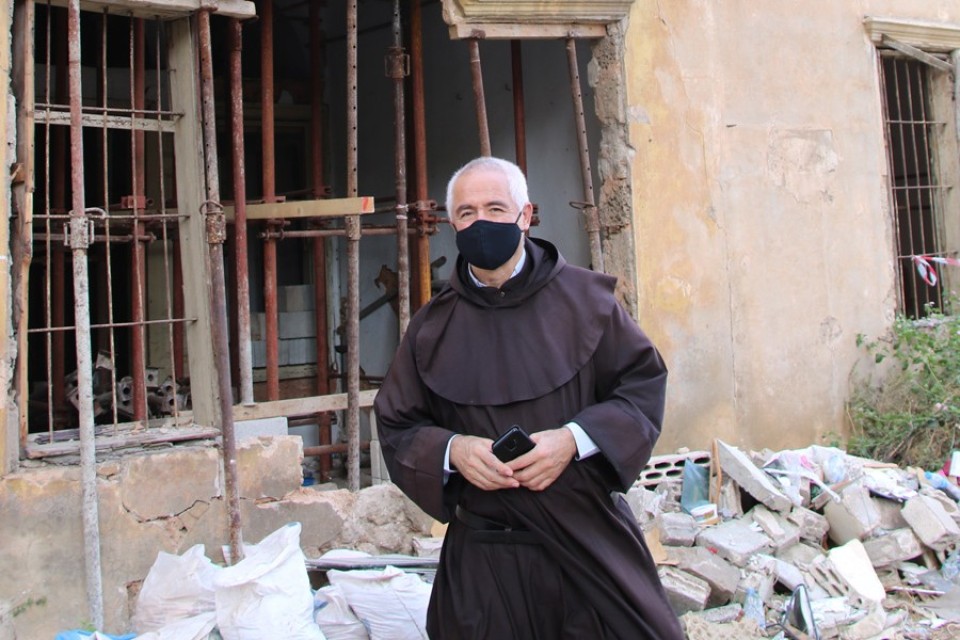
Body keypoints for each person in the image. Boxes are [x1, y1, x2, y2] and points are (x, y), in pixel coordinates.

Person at [374, 156, 684, 639]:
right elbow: (398, 424)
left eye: (495, 209)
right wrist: (454, 451)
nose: (481, 222)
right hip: (483, 558)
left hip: (584, 542)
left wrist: (574, 439)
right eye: (467, 213)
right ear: (452, 224)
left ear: (525, 215)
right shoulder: (431, 328)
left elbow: (640, 386)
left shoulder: (589, 301)